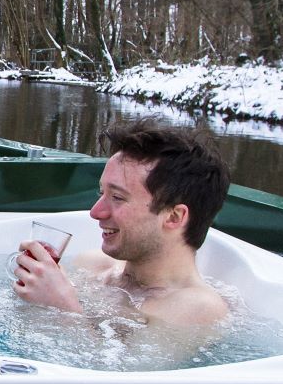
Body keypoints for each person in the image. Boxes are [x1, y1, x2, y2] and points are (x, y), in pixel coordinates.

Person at [12, 118, 232, 327]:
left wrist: (63, 309)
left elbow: (122, 367)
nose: (95, 212)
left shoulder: (198, 308)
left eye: (117, 197)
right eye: (101, 193)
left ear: (174, 217)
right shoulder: (92, 266)